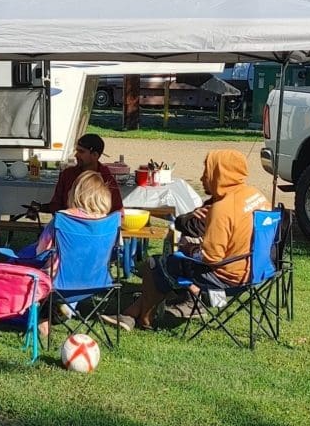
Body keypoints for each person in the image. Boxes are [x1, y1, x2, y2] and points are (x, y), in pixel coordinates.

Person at [101, 149, 269, 331]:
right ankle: (131, 314)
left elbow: (211, 258)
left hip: (226, 277)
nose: (204, 177)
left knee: (153, 265)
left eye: (208, 171)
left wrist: (191, 251)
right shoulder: (256, 196)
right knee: (167, 264)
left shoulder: (222, 209)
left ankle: (144, 319)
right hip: (256, 270)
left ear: (220, 173)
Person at [35, 170, 114, 338]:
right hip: (96, 281)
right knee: (76, 265)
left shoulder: (63, 219)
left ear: (75, 193)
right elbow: (115, 250)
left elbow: (42, 250)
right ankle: (67, 307)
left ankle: (43, 318)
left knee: (36, 266)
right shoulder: (109, 223)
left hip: (59, 282)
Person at [29, 134, 123, 218]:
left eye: (81, 152)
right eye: (77, 151)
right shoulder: (67, 174)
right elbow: (56, 205)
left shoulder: (106, 179)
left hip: (97, 230)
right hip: (69, 227)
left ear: (95, 155)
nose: (76, 155)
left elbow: (118, 212)